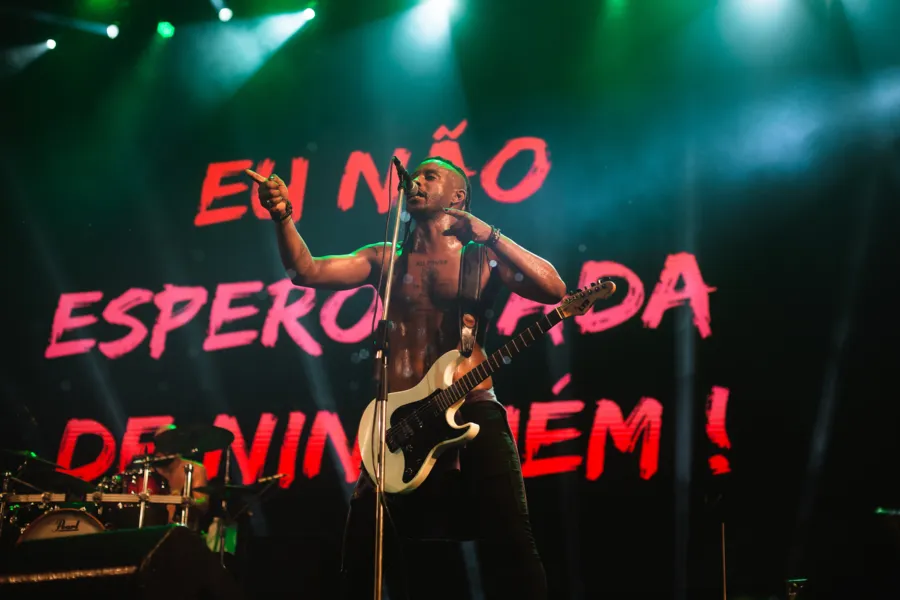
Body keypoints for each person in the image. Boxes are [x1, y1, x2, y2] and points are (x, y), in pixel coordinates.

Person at [246, 156, 566, 600]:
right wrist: (282, 216)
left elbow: (554, 290)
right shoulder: (386, 259)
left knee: (512, 536)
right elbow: (306, 271)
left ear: (458, 196)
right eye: (414, 175)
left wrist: (490, 234)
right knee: (363, 549)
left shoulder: (481, 258)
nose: (415, 180)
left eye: (430, 176)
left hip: (471, 405)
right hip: (398, 420)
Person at [151, 424, 210, 527]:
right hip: (153, 527)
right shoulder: (149, 471)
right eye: (160, 442)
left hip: (185, 528)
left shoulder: (195, 469)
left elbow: (203, 505)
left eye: (168, 440)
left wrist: (182, 500)